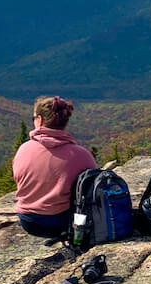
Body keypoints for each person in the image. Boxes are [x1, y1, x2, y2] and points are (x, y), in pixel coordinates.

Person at [13, 96, 97, 238]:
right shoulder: (82, 155)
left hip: (29, 222)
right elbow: (92, 190)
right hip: (64, 223)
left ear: (40, 120)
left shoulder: (23, 149)